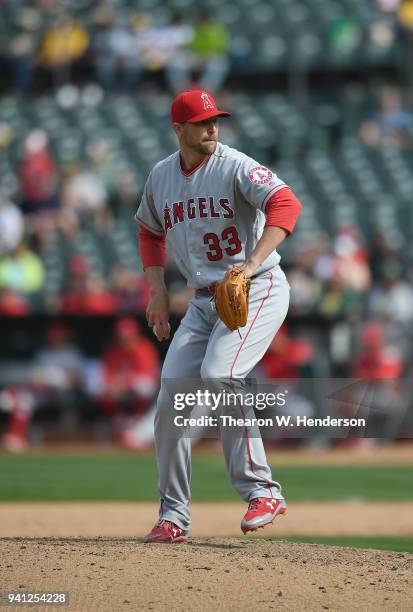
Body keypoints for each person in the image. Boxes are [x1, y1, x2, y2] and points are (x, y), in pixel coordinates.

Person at [135, 90, 302, 543]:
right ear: (179, 129)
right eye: (202, 121)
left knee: (219, 373)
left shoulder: (235, 165)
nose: (212, 127)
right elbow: (150, 232)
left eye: (216, 119)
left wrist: (250, 265)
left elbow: (287, 204)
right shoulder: (161, 176)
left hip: (257, 287)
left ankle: (263, 490)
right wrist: (156, 293)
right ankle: (173, 517)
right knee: (171, 403)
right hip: (202, 301)